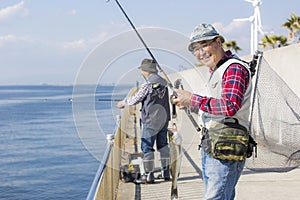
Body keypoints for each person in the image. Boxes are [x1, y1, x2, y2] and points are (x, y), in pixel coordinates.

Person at [172, 23, 252, 199]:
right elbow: (215, 105)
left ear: (218, 42)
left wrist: (193, 98)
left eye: (204, 45)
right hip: (213, 145)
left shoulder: (233, 68)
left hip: (226, 146)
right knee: (223, 195)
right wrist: (191, 105)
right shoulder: (216, 70)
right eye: (195, 49)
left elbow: (230, 106)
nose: (201, 52)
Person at [117, 58, 171, 183]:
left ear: (146, 70)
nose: (141, 72)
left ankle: (149, 175)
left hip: (151, 121)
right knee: (163, 146)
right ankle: (166, 173)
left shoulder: (147, 85)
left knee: (147, 148)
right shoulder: (164, 82)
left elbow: (136, 99)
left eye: (142, 70)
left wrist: (123, 103)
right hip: (163, 120)